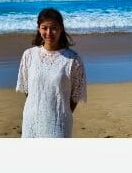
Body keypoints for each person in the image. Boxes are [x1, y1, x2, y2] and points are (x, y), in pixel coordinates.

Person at [15, 8, 87, 138]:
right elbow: (28, 91)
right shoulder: (29, 55)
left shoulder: (73, 60)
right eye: (44, 28)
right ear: (39, 29)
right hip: (32, 121)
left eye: (54, 28)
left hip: (59, 122)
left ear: (61, 29)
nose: (49, 33)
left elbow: (75, 96)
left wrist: (58, 113)